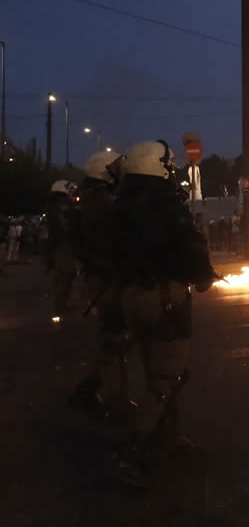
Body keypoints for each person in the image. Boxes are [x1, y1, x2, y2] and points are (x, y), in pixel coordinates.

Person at [103, 140, 216, 488]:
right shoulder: (166, 204)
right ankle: (130, 455)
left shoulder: (120, 205)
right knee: (169, 377)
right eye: (168, 163)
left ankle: (169, 438)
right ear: (158, 166)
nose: (172, 167)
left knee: (157, 372)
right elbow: (188, 247)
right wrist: (203, 275)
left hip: (130, 296)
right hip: (163, 297)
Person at [67, 150, 126, 416]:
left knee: (114, 336)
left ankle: (95, 388)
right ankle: (112, 400)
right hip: (106, 277)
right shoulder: (102, 202)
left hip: (99, 275)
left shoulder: (90, 200)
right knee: (115, 337)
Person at [45, 179, 78, 322]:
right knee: (67, 273)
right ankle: (59, 307)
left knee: (62, 275)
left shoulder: (56, 206)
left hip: (59, 244)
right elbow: (64, 226)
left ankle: (60, 304)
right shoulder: (60, 206)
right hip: (61, 244)